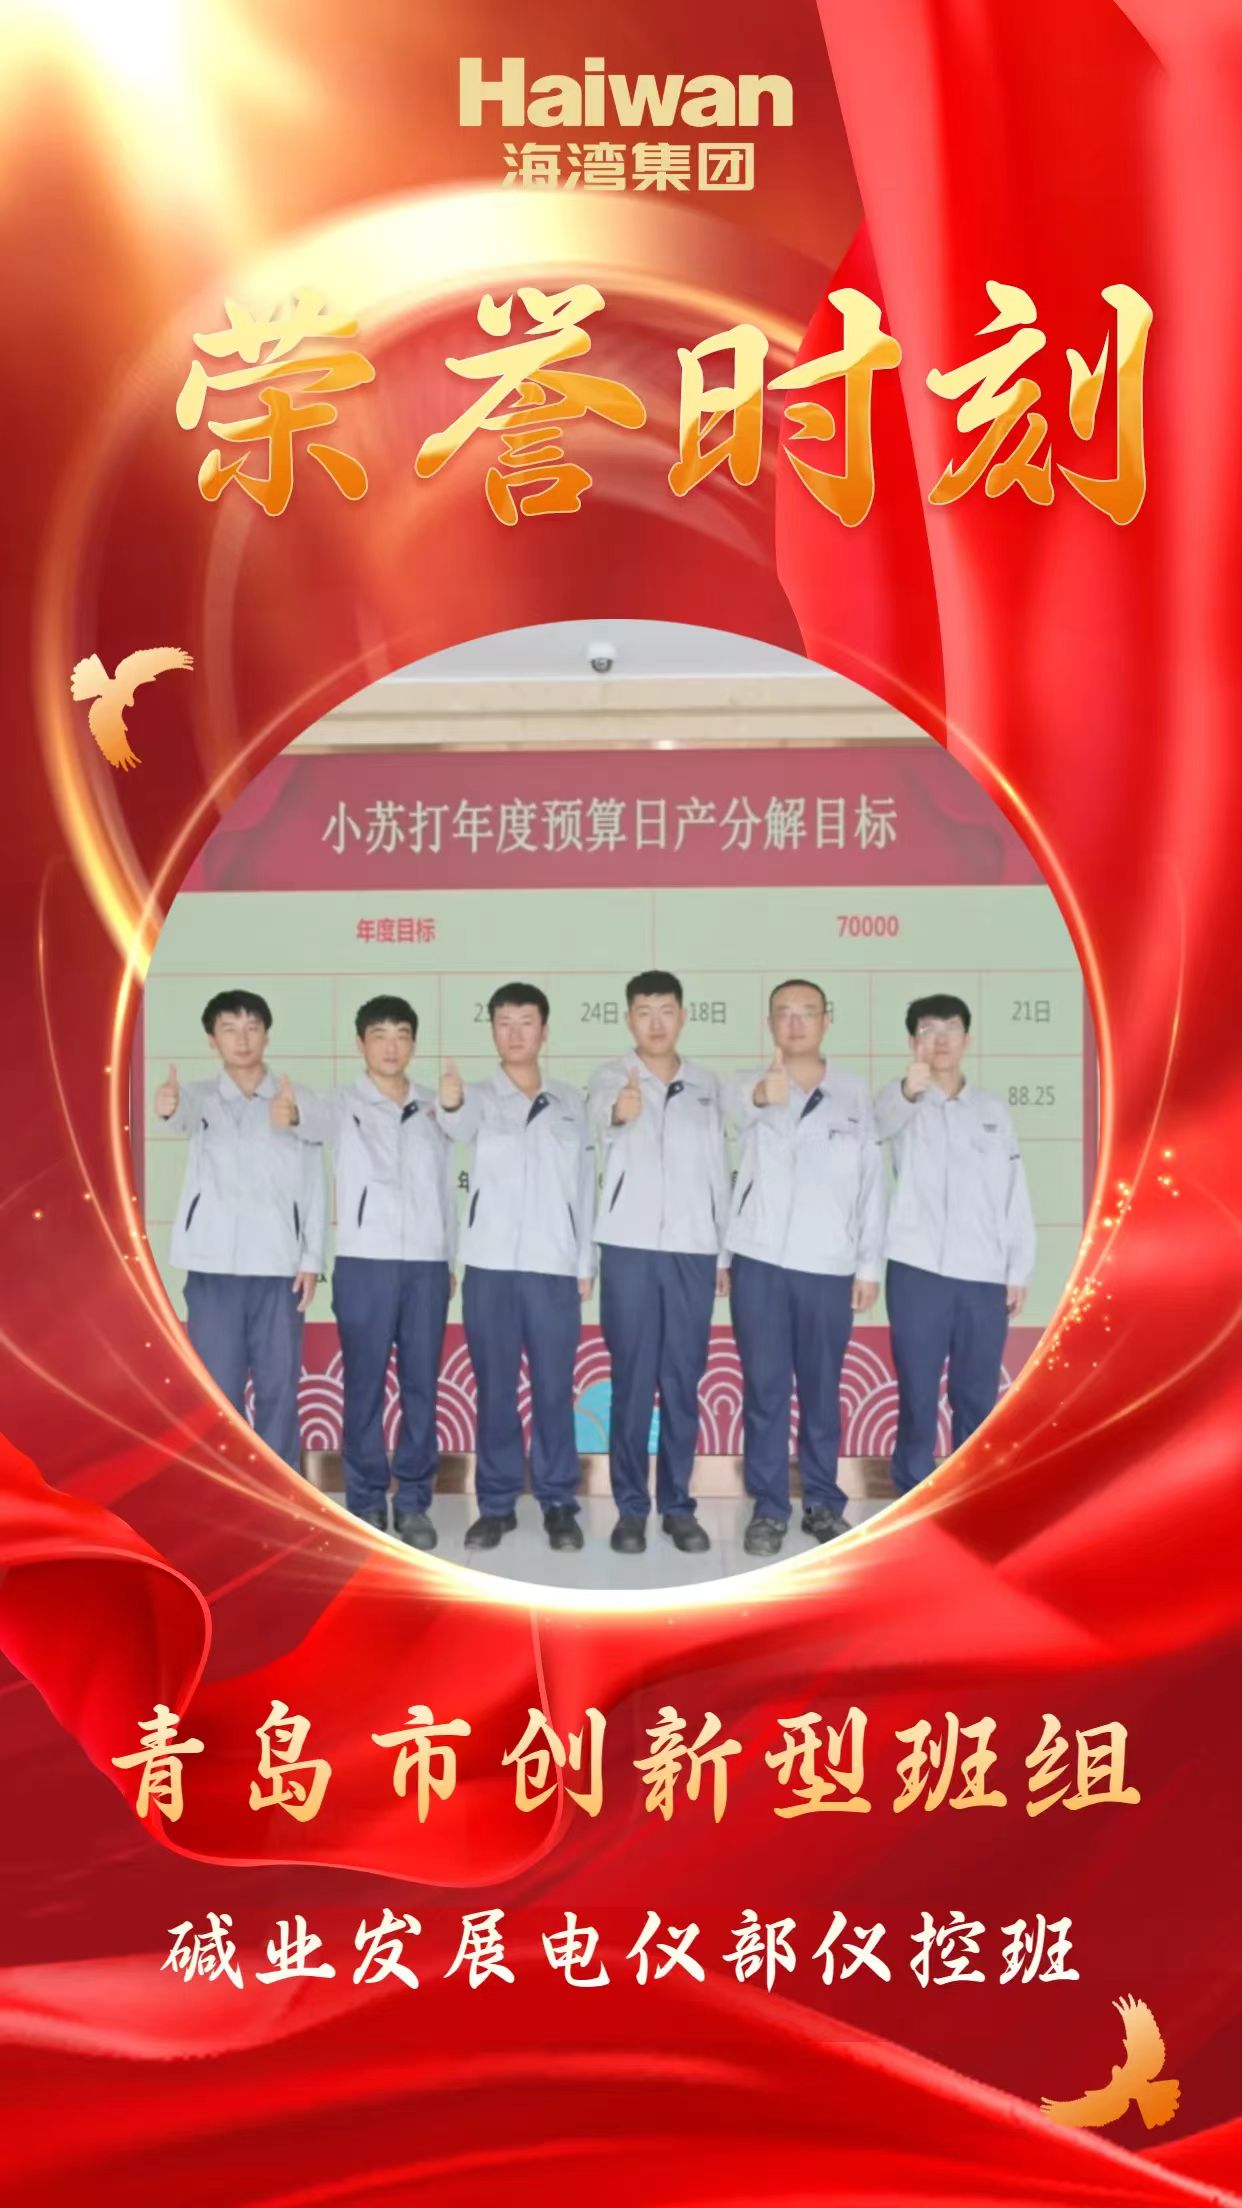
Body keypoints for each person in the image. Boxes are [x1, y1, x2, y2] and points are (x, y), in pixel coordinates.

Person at [283, 995, 454, 1548]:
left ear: (413, 1043)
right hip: (364, 1265)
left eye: (401, 1034)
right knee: (364, 1388)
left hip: (427, 1266)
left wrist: (448, 1256)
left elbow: (446, 1189)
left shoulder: (433, 1108)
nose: (391, 1046)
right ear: (361, 1043)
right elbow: (307, 1120)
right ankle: (365, 1501)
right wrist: (291, 1111)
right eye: (379, 1035)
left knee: (421, 1387)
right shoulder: (341, 1104)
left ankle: (414, 1502)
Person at [725, 979, 886, 1558]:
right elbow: (730, 1128)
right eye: (783, 1014)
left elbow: (872, 1184)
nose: (794, 1024)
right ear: (770, 1023)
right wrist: (761, 1096)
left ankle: (822, 1502)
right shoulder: (747, 1085)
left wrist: (868, 1265)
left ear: (826, 1020)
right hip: (760, 1263)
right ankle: (769, 1509)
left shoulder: (854, 1094)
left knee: (821, 1391)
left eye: (806, 1013)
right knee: (765, 1392)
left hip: (828, 1266)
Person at [437, 982, 596, 1553]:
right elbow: (455, 1126)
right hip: (491, 1266)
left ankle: (558, 1502)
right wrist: (450, 1103)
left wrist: (584, 1260)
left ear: (544, 1031)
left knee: (554, 1388)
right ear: (492, 1031)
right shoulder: (477, 1097)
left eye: (526, 1022)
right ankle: (497, 1504)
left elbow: (585, 1185)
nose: (515, 1033)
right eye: (504, 1022)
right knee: (496, 1389)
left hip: (553, 1266)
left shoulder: (571, 1102)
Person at [587, 971, 730, 1558]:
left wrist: (721, 1251)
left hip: (693, 1251)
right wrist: (620, 1112)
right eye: (643, 1011)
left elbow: (719, 1170)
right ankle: (630, 1509)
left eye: (665, 1010)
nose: (655, 1022)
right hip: (629, 1250)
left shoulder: (706, 1085)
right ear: (629, 1019)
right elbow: (601, 1121)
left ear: (682, 1016)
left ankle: (677, 1506)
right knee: (632, 1381)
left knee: (681, 1381)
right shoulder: (609, 1077)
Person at [153, 988, 323, 1470]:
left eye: (251, 1028)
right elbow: (177, 1116)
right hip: (213, 1270)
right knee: (217, 1393)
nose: (242, 1039)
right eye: (229, 1029)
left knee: (278, 1391)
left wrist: (311, 1258)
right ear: (212, 1040)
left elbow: (316, 1183)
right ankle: (229, 1494)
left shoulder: (296, 1100)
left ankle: (281, 1496)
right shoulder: (198, 1098)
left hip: (278, 1270)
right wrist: (167, 1105)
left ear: (267, 1034)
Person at [874, 994, 1036, 1494]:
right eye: (928, 1030)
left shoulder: (992, 1111)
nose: (940, 1039)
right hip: (916, 1269)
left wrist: (1018, 1268)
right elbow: (877, 1127)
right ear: (913, 1042)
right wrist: (909, 1090)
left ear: (966, 1040)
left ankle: (972, 1493)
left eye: (950, 1029)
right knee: (918, 1393)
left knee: (976, 1394)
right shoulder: (899, 1101)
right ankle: (913, 1493)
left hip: (982, 1272)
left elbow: (1013, 1192)